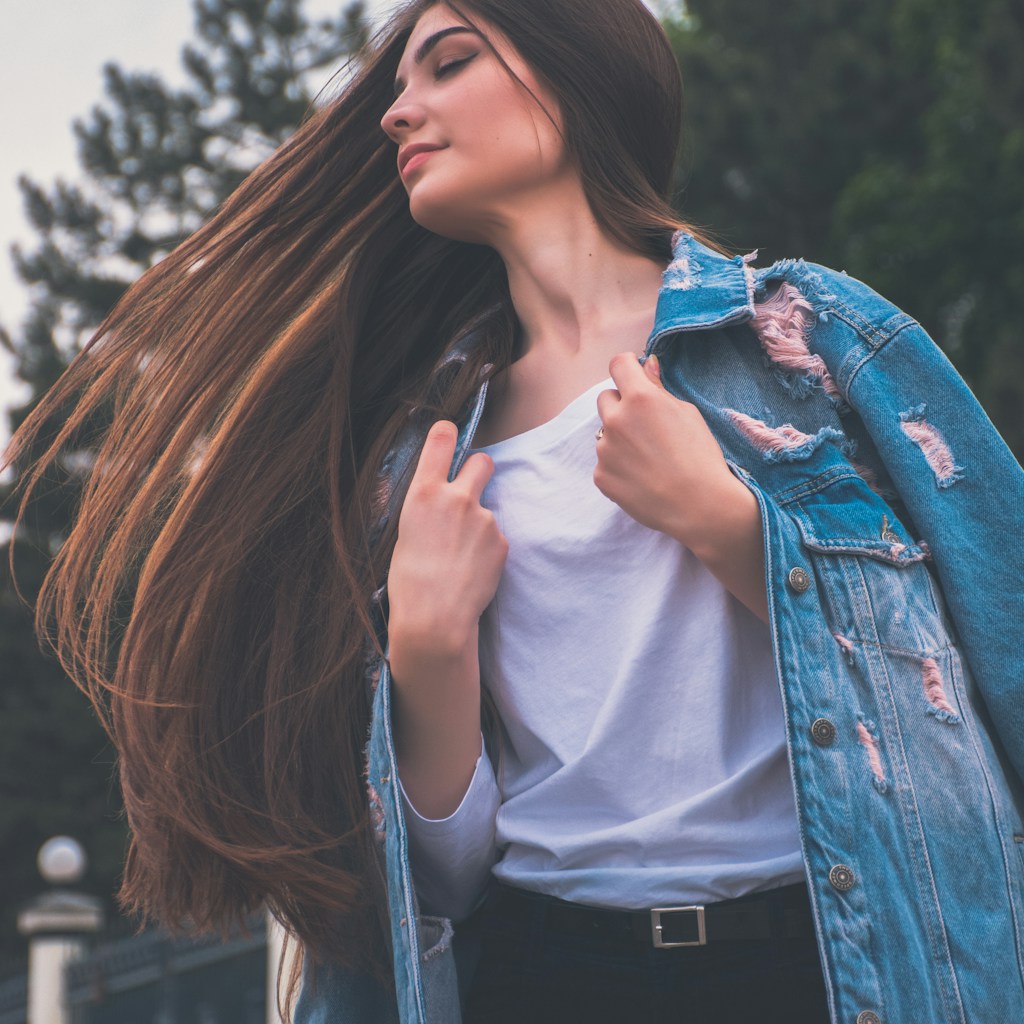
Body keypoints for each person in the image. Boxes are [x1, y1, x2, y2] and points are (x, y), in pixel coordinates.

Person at [4, 1, 1022, 1022]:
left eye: (448, 64)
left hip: (831, 968)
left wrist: (721, 521)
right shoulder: (421, 457)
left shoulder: (809, 344)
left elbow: (995, 650)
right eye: (399, 88)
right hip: (544, 976)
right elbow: (441, 885)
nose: (399, 113)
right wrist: (427, 648)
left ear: (574, 81)